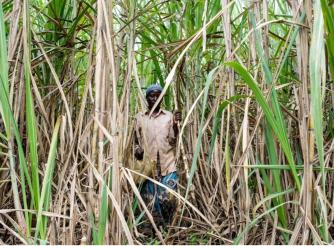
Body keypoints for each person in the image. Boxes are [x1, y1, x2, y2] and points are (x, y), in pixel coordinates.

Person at [134, 83, 181, 231]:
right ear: (147, 98)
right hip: (148, 167)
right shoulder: (140, 118)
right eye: (151, 96)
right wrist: (137, 150)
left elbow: (173, 140)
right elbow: (135, 141)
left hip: (168, 164)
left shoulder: (168, 116)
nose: (154, 98)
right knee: (150, 202)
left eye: (157, 95)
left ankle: (168, 228)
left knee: (168, 199)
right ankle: (155, 231)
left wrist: (175, 125)